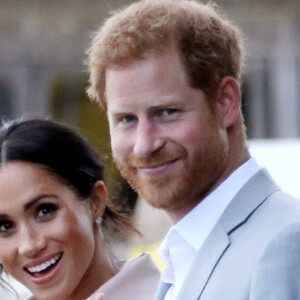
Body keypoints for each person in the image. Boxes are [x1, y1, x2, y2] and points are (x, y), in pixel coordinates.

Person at [86, 0, 300, 299]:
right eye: (126, 119)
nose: (144, 144)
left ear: (225, 103)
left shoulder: (285, 245)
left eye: (167, 112)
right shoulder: (182, 255)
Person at [0, 119, 160, 300]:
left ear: (95, 201)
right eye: (4, 226)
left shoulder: (177, 293)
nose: (29, 246)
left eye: (45, 210)